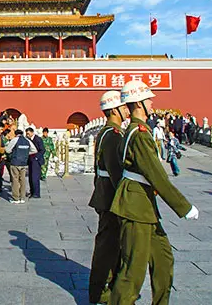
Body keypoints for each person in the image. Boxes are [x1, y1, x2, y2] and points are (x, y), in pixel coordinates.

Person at [109, 80, 199, 305]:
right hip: (135, 207)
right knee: (133, 270)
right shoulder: (139, 134)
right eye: (148, 100)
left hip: (144, 205)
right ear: (138, 103)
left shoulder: (139, 131)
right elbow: (156, 174)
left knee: (163, 260)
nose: (152, 104)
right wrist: (183, 206)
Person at [88, 90, 128, 305]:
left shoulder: (108, 132)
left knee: (111, 245)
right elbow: (116, 172)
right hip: (111, 198)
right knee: (108, 247)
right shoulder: (113, 134)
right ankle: (100, 291)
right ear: (114, 110)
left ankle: (106, 289)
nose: (127, 109)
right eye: (123, 107)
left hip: (105, 195)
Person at [5, 129, 36, 204]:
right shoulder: (27, 141)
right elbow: (34, 150)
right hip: (24, 163)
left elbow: (7, 150)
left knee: (15, 180)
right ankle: (22, 197)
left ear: (16, 134)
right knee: (23, 180)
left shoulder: (14, 140)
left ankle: (16, 198)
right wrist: (26, 154)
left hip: (15, 162)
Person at [26, 127, 45, 198]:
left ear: (32, 132)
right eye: (26, 134)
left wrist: (36, 157)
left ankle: (36, 193)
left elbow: (42, 150)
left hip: (36, 161)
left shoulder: (38, 139)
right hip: (30, 160)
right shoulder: (28, 139)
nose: (27, 135)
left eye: (28, 133)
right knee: (30, 177)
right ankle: (32, 192)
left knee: (35, 177)